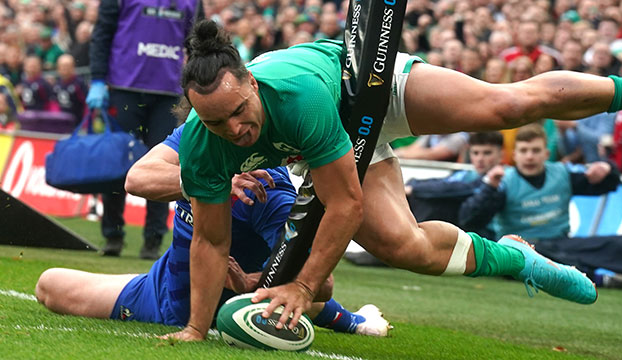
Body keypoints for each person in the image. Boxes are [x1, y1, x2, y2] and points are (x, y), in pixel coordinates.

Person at [173, 19, 622, 341]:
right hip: (327, 146)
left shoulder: (297, 99)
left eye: (238, 112)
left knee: (506, 107)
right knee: (405, 248)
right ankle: (517, 258)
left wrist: (304, 287)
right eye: (216, 123)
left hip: (367, 92)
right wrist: (196, 329)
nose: (234, 129)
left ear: (251, 82)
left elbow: (345, 205)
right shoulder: (201, 144)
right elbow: (211, 243)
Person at [35, 124, 391, 337]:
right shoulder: (198, 136)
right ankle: (355, 319)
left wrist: (250, 283)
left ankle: (353, 320)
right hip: (157, 291)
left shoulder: (268, 191)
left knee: (300, 305)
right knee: (48, 286)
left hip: (224, 310)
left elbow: (319, 283)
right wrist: (209, 183)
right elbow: (136, 178)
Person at [87, 0, 203, 260]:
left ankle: (153, 240)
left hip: (168, 96)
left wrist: (198, 85)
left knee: (163, 166)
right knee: (117, 165)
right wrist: (96, 79)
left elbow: (197, 45)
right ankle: (113, 235)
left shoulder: (192, 2)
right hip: (124, 89)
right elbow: (102, 34)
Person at [458, 124, 622, 289]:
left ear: (546, 154)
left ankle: (598, 275)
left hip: (561, 243)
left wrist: (607, 168)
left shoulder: (563, 174)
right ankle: (604, 281)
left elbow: (607, 184)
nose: (529, 156)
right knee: (534, 258)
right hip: (521, 249)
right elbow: (469, 219)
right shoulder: (502, 181)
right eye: (524, 150)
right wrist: (489, 189)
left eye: (535, 150)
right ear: (514, 155)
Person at [405, 132, 504, 239]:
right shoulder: (465, 174)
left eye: (487, 153)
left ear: (500, 155)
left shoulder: (503, 179)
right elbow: (443, 184)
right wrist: (413, 185)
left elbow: (466, 212)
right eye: (475, 153)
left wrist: (415, 189)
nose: (480, 158)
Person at [52, 54, 87, 125]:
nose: (65, 68)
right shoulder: (56, 84)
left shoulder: (79, 83)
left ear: (73, 67)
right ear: (58, 69)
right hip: (61, 123)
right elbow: (53, 103)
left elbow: (86, 104)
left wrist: (85, 123)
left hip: (78, 123)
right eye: (62, 66)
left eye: (67, 66)